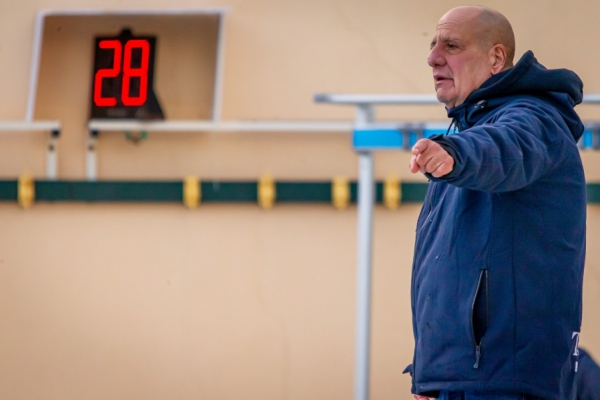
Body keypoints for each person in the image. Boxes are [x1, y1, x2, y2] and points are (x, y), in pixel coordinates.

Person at [405, 6, 586, 400]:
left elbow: (506, 148)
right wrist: (431, 371)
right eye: (433, 45)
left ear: (496, 58)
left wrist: (456, 154)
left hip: (505, 380)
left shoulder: (534, 120)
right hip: (464, 377)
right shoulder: (467, 132)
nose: (433, 57)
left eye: (451, 45)